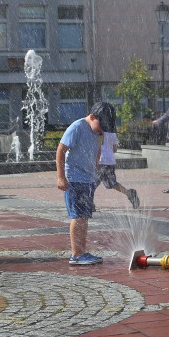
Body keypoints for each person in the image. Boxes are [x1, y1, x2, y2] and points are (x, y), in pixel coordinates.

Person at [56, 101, 115, 265]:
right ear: (91, 116)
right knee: (77, 216)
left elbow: (97, 153)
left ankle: (82, 252)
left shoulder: (96, 133)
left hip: (87, 180)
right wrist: (61, 177)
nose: (102, 129)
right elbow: (61, 150)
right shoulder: (77, 127)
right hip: (74, 178)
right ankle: (76, 255)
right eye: (100, 125)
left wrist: (93, 179)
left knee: (84, 216)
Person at [94, 122, 140, 210]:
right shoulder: (112, 133)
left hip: (100, 161)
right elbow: (115, 149)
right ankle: (129, 193)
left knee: (92, 184)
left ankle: (90, 205)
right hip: (110, 162)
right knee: (113, 183)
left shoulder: (96, 131)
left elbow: (95, 147)